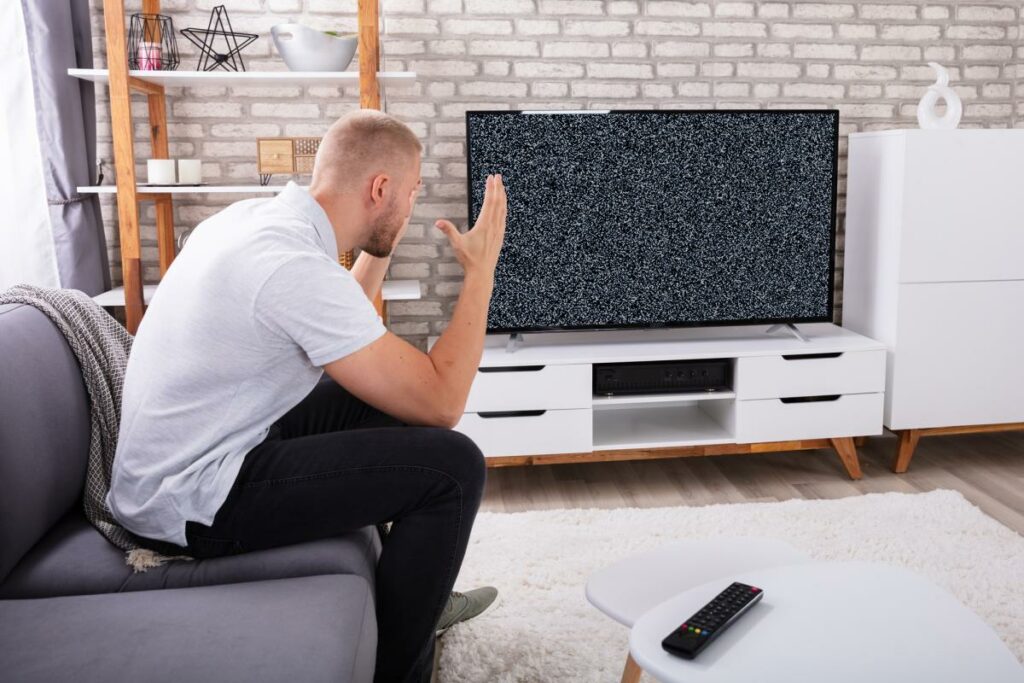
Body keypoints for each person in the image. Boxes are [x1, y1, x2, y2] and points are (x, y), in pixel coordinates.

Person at [107, 109, 508, 683]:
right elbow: (443, 402)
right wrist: (482, 271)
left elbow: (339, 311)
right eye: (413, 190)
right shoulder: (290, 265)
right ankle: (400, 669)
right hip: (191, 499)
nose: (416, 200)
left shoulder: (254, 223)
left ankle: (419, 593)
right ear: (380, 188)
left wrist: (384, 236)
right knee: (453, 468)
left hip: (188, 460)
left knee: (379, 402)